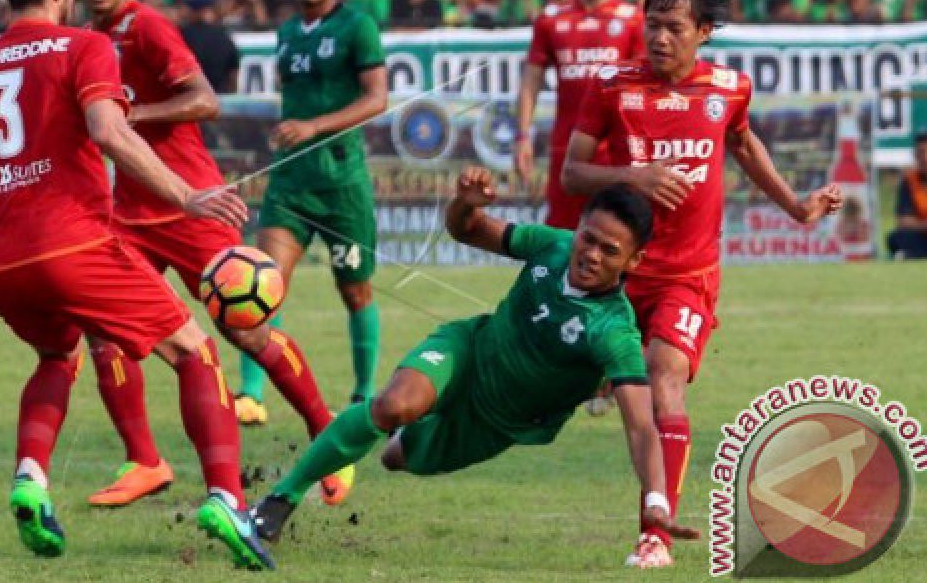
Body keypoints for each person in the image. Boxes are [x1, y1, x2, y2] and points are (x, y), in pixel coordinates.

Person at [0, 0, 274, 570]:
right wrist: (186, 197)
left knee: (56, 355)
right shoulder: (86, 46)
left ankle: (31, 477)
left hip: (1, 264)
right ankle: (228, 500)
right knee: (196, 352)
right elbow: (109, 131)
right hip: (76, 242)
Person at [561, 0, 842, 568]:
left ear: (705, 32)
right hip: (616, 274)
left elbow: (742, 144)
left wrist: (796, 205)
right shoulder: (612, 86)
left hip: (688, 275)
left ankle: (654, 533)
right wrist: (632, 175)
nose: (659, 38)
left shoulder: (728, 89)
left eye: (674, 28)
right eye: (651, 26)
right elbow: (572, 175)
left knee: (665, 381)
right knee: (556, 380)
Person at [71, 0, 351, 509]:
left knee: (244, 329)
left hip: (191, 203)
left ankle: (328, 433)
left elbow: (205, 101)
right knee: (104, 330)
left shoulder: (147, 27)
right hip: (131, 211)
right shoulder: (89, 36)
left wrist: (127, 116)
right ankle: (145, 460)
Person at [250, 176, 677, 558]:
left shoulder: (616, 333)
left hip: (496, 422)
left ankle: (375, 435)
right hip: (468, 351)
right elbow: (466, 230)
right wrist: (465, 204)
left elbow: (641, 426)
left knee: (395, 458)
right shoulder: (553, 245)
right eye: (589, 239)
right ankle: (277, 503)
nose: (592, 255)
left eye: (610, 251)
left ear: (633, 262)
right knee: (392, 406)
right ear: (578, 228)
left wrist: (656, 501)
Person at [237, 0, 388, 422]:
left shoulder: (357, 27)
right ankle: (251, 394)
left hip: (342, 184)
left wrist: (314, 127)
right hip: (291, 185)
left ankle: (365, 395)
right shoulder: (285, 32)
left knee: (355, 291)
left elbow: (376, 100)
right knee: (261, 282)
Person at [515, 0, 644, 230]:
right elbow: (530, 83)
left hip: (615, 149)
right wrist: (523, 136)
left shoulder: (633, 20)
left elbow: (643, 88)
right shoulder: (550, 19)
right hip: (567, 147)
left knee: (620, 231)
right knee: (562, 233)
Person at [887, 131, 927, 259]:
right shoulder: (910, 182)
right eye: (921, 152)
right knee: (897, 238)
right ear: (915, 155)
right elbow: (904, 222)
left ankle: (913, 255)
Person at [179, 0, 240, 94]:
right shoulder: (224, 37)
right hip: (221, 98)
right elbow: (233, 74)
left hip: (192, 98)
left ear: (198, 12)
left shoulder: (183, 35)